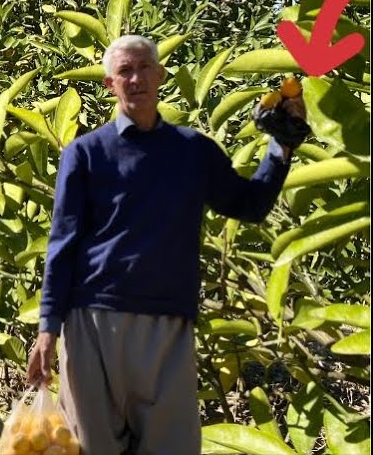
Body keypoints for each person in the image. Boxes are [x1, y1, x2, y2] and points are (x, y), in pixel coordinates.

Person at [26, 34, 302, 455]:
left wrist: (280, 146)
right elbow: (62, 241)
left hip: (168, 322)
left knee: (170, 447)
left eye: (143, 68)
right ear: (109, 84)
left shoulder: (193, 151)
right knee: (92, 446)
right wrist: (48, 327)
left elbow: (249, 205)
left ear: (161, 75)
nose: (136, 78)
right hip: (93, 320)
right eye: (124, 71)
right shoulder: (85, 153)